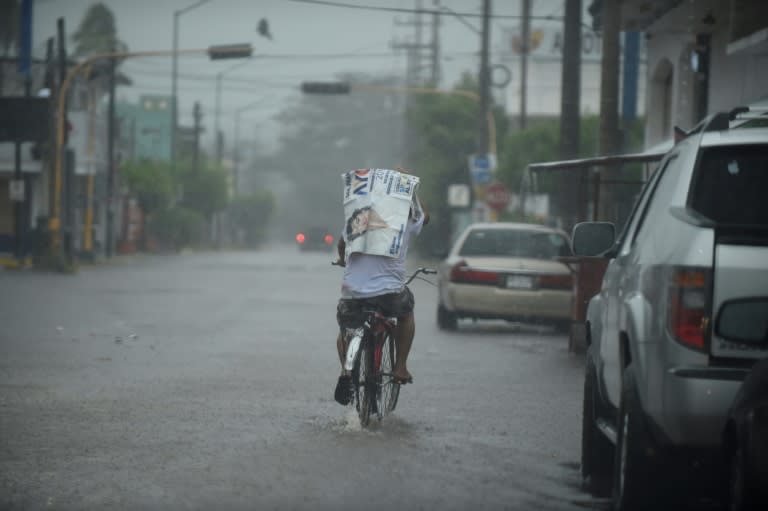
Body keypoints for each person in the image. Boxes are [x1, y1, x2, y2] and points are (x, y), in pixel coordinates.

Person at [333, 170, 429, 406]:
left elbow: (342, 244)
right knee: (406, 314)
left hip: (353, 293)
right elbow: (424, 217)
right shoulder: (404, 220)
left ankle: (346, 372)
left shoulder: (358, 218)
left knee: (346, 329)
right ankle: (400, 367)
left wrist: (343, 259)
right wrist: (412, 189)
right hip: (390, 294)